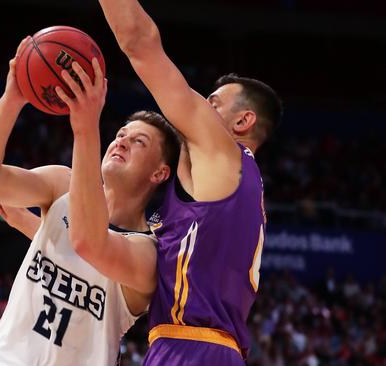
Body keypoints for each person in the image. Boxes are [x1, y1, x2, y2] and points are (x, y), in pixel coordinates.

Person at [0, 36, 180, 366]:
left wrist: (86, 129)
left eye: (138, 141)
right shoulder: (61, 183)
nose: (122, 142)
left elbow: (89, 242)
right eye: (120, 135)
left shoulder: (148, 253)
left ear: (159, 173)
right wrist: (12, 98)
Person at [97, 0, 283, 364]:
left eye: (212, 104)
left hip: (190, 348)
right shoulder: (235, 189)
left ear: (242, 122)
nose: (197, 110)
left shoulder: (224, 152)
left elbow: (139, 42)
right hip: (210, 349)